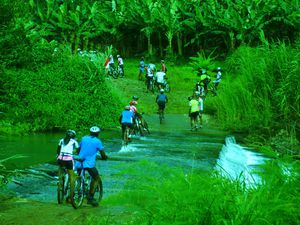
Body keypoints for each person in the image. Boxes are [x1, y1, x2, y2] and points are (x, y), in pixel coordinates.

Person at [75, 126, 108, 207]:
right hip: (89, 164)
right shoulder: (98, 141)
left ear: (90, 132)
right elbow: (102, 153)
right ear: (98, 134)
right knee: (96, 178)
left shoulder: (84, 138)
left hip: (79, 162)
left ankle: (71, 195)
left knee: (78, 177)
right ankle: (90, 198)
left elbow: (78, 149)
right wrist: (104, 157)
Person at [56, 130, 79, 202]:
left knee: (61, 169)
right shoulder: (74, 142)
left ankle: (59, 180)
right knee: (72, 176)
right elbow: (78, 151)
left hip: (60, 159)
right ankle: (71, 195)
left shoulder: (61, 140)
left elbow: (58, 150)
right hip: (68, 159)